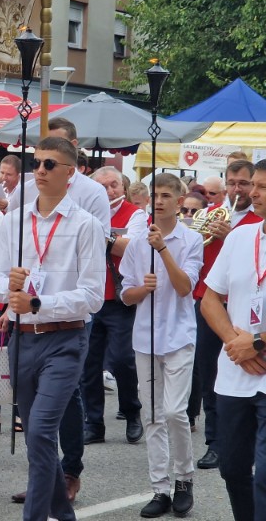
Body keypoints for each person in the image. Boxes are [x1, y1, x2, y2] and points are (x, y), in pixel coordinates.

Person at [0, 136, 105, 521]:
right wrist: (10, 287)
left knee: (38, 431)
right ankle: (64, 514)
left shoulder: (86, 225)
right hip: (22, 339)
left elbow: (93, 296)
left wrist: (39, 303)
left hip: (66, 339)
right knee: (37, 436)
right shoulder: (14, 220)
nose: (40, 170)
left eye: (50, 164)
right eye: (36, 163)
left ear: (70, 173)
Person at [120, 172, 204, 518]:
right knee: (153, 415)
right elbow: (126, 294)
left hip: (180, 335)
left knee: (174, 411)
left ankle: (183, 478)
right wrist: (143, 288)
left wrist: (163, 250)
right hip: (145, 337)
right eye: (155, 194)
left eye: (167, 195)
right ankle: (159, 487)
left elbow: (186, 287)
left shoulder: (191, 240)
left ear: (179, 200)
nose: (159, 200)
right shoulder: (137, 240)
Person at [200, 158, 266, 521]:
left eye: (262, 187)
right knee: (233, 469)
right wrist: (235, 342)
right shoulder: (241, 236)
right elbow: (210, 298)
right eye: (252, 184)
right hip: (235, 374)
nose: (252, 193)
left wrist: (256, 342)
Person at [81, 166, 146, 446]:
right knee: (88, 364)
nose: (110, 191)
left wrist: (102, 234)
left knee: (122, 360)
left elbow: (131, 248)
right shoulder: (86, 211)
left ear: (123, 187)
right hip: (90, 296)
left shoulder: (136, 213)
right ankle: (94, 423)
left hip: (120, 298)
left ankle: (132, 412)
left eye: (114, 185)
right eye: (104, 186)